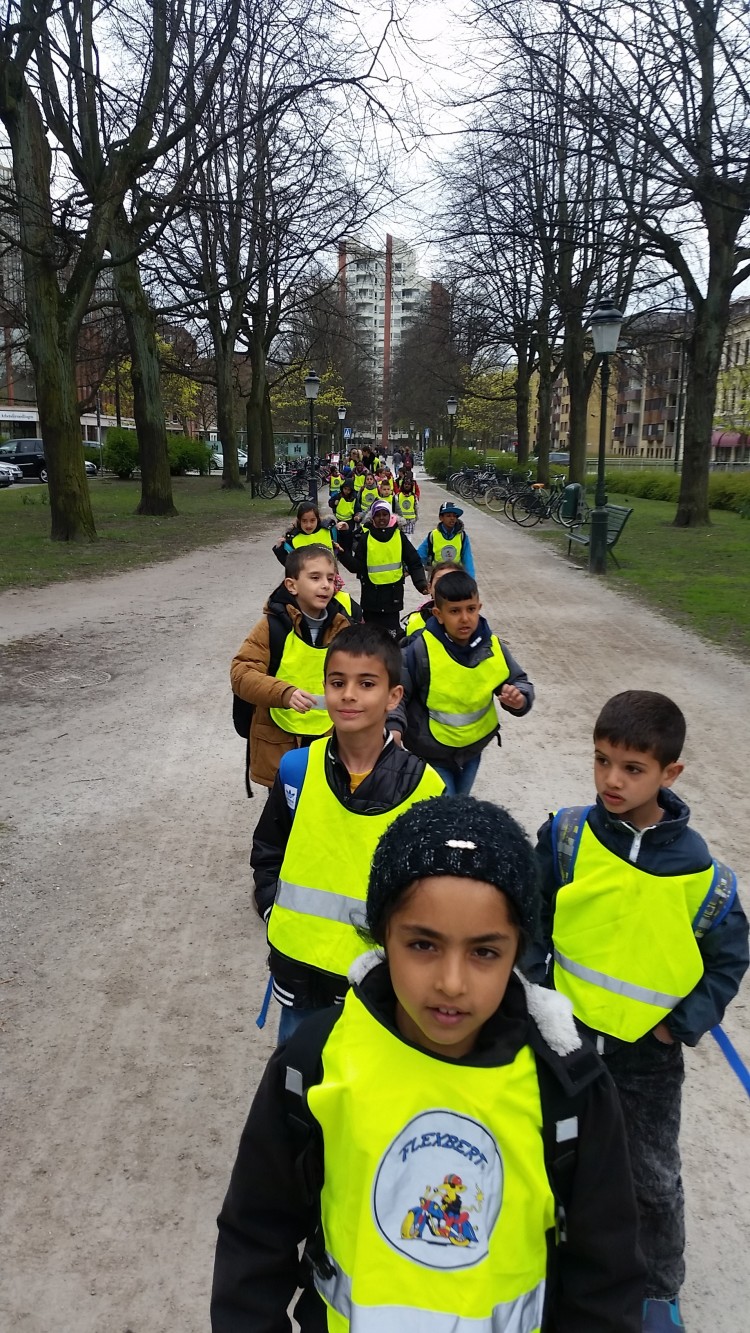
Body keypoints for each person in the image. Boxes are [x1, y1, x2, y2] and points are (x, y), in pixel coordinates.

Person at [212, 796, 645, 1333]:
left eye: (485, 952)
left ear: (518, 953)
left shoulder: (569, 1089)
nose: (452, 983)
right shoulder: (318, 1061)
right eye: (422, 944)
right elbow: (254, 1234)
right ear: (382, 936)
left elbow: (606, 1281)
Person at [524, 690, 749, 1333]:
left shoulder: (705, 876)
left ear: (670, 774)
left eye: (632, 769)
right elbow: (533, 916)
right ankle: (545, 1263)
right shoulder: (567, 836)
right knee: (549, 1153)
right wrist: (537, 988)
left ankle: (656, 1288)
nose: (611, 780)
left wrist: (681, 1023)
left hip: (648, 1056)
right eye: (602, 762)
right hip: (562, 1036)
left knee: (651, 1176)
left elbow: (729, 958)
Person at [249, 623, 445, 1039]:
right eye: (337, 682)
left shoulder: (427, 788)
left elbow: (435, 888)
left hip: (376, 975)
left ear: (394, 696)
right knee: (298, 1081)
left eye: (367, 683)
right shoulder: (297, 770)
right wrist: (271, 906)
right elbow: (269, 848)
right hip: (300, 963)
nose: (349, 695)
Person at [389, 568, 533, 795]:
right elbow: (396, 694)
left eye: (471, 609)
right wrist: (394, 729)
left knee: (461, 803)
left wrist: (519, 699)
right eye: (454, 611)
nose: (465, 618)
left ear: (479, 608)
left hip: (473, 750)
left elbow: (519, 680)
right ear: (438, 614)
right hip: (431, 751)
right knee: (447, 809)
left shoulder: (492, 646)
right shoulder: (420, 650)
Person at [230, 546, 359, 790]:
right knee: (284, 819)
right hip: (280, 742)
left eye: (330, 579)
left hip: (329, 740)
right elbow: (241, 673)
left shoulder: (344, 630)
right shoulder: (272, 627)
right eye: (315, 577)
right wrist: (284, 693)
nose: (325, 585)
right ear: (291, 585)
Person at [340, 500, 428, 636]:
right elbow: (356, 566)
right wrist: (341, 553)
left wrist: (421, 583)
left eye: (385, 514)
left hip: (393, 599)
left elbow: (414, 562)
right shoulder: (365, 538)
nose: (381, 518)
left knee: (391, 637)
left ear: (390, 516)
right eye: (378, 515)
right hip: (371, 600)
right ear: (372, 518)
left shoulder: (399, 536)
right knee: (370, 638)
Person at [401, 559, 462, 638]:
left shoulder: (471, 622)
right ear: (429, 587)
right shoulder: (414, 621)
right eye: (440, 580)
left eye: (453, 580)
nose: (446, 585)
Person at [417, 501, 475, 577]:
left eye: (455, 516)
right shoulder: (433, 535)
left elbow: (468, 560)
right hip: (437, 577)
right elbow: (420, 555)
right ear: (441, 518)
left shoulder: (462, 536)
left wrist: (471, 580)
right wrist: (408, 568)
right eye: (448, 516)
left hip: (456, 577)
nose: (452, 518)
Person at [272, 501, 339, 566]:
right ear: (299, 520)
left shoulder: (329, 530)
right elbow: (290, 566)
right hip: (306, 576)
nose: (308, 525)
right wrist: (279, 550)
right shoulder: (292, 539)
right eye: (304, 521)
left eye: (312, 520)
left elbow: (344, 551)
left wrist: (344, 531)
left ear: (318, 519)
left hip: (329, 574)